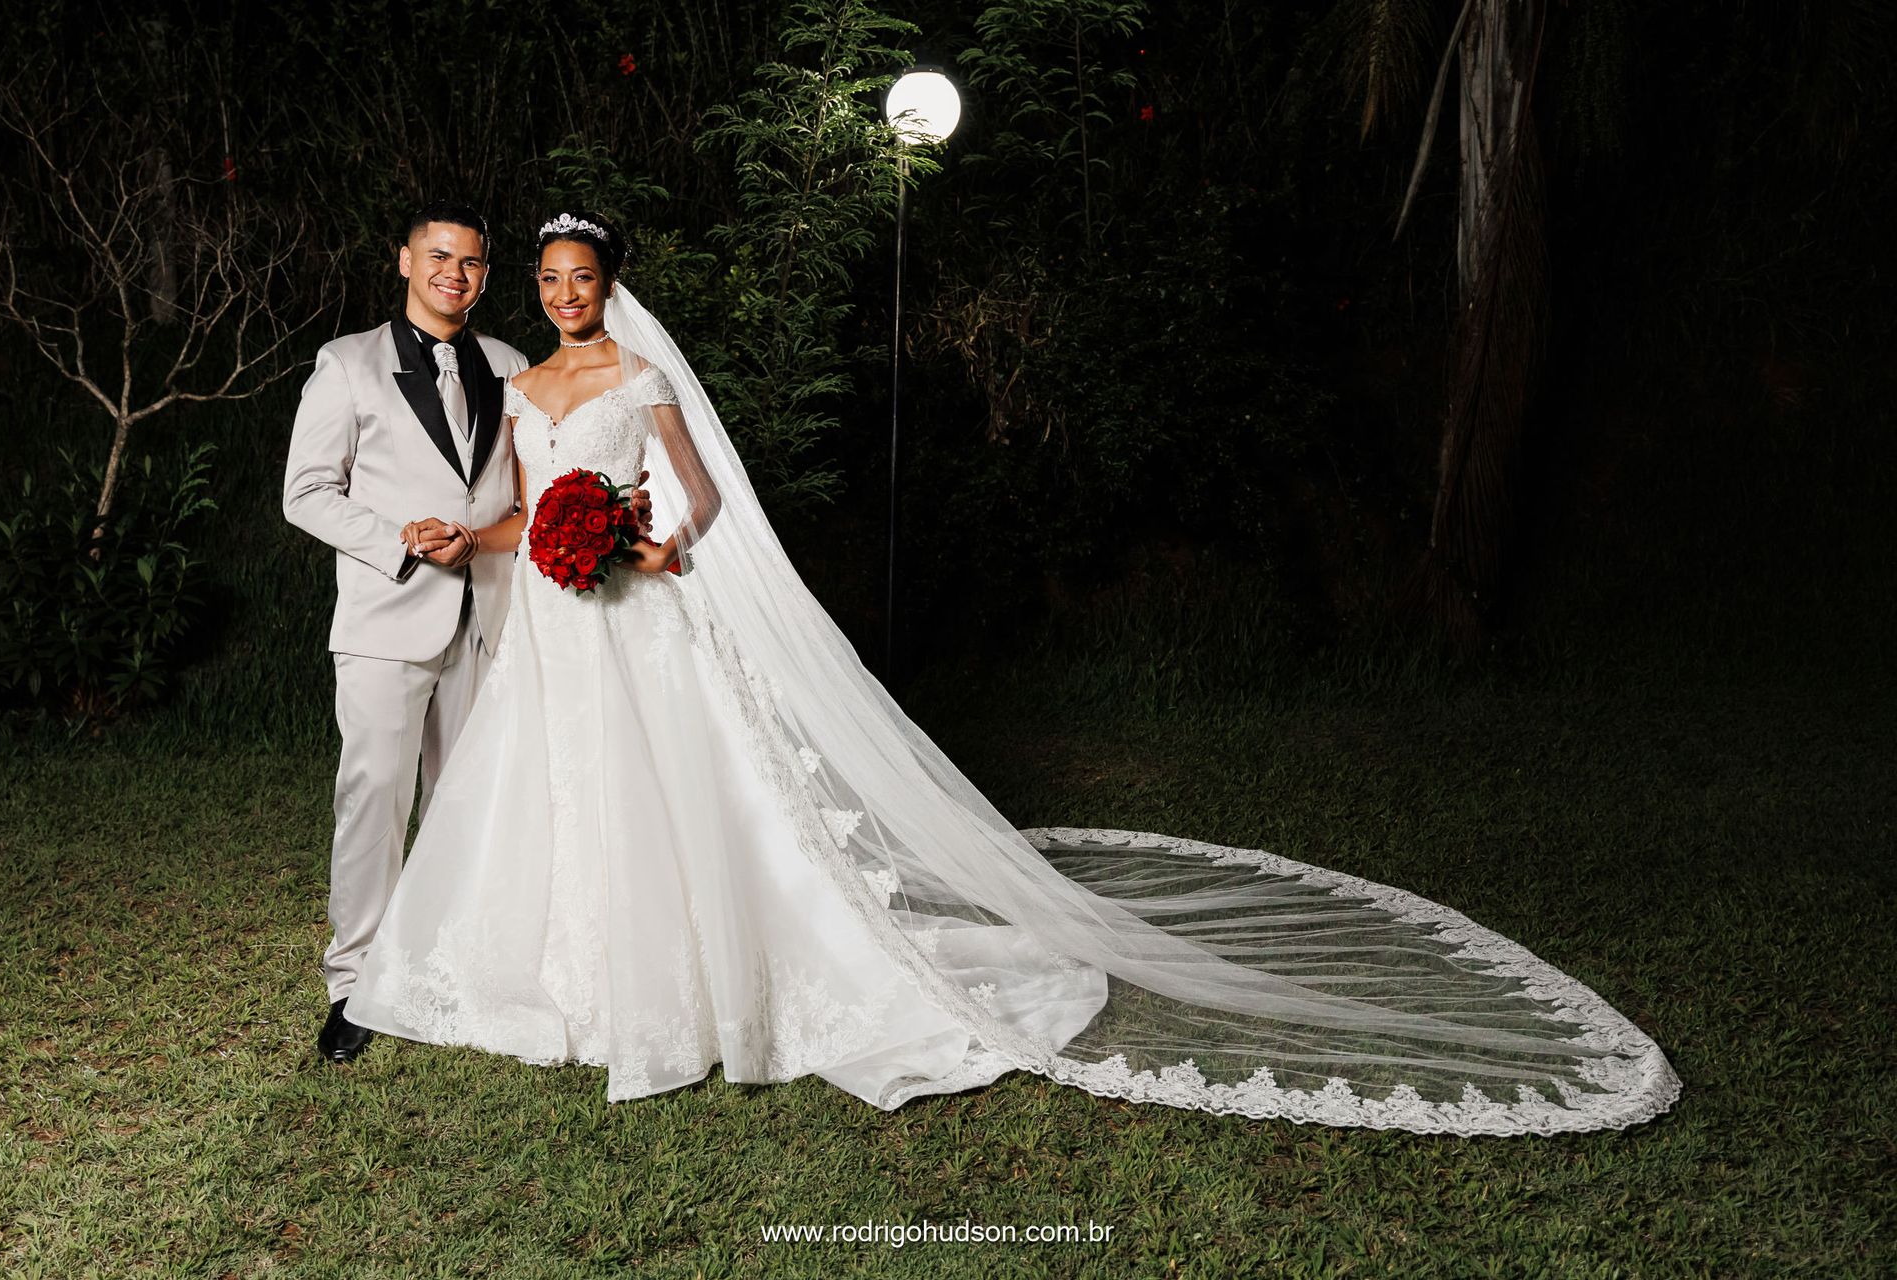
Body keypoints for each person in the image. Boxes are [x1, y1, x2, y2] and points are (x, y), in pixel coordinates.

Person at [344, 211, 1682, 1135]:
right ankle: (563, 976)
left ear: (609, 283)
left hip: (639, 621)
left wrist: (649, 541)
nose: (564, 295)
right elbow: (522, 517)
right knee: (553, 797)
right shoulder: (522, 389)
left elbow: (699, 499)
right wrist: (474, 536)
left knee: (672, 803)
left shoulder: (641, 375)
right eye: (549, 280)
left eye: (580, 277)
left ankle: (689, 982)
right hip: (556, 634)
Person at [282, 201, 652, 1065]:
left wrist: (616, 508)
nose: (456, 274)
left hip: (498, 618)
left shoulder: (512, 365)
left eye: (473, 262)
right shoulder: (347, 364)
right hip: (388, 617)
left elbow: (534, 491)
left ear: (486, 275)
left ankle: (452, 961)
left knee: (473, 802)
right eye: (440, 257)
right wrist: (399, 542)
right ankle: (354, 981)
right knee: (375, 798)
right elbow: (305, 492)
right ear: (405, 261)